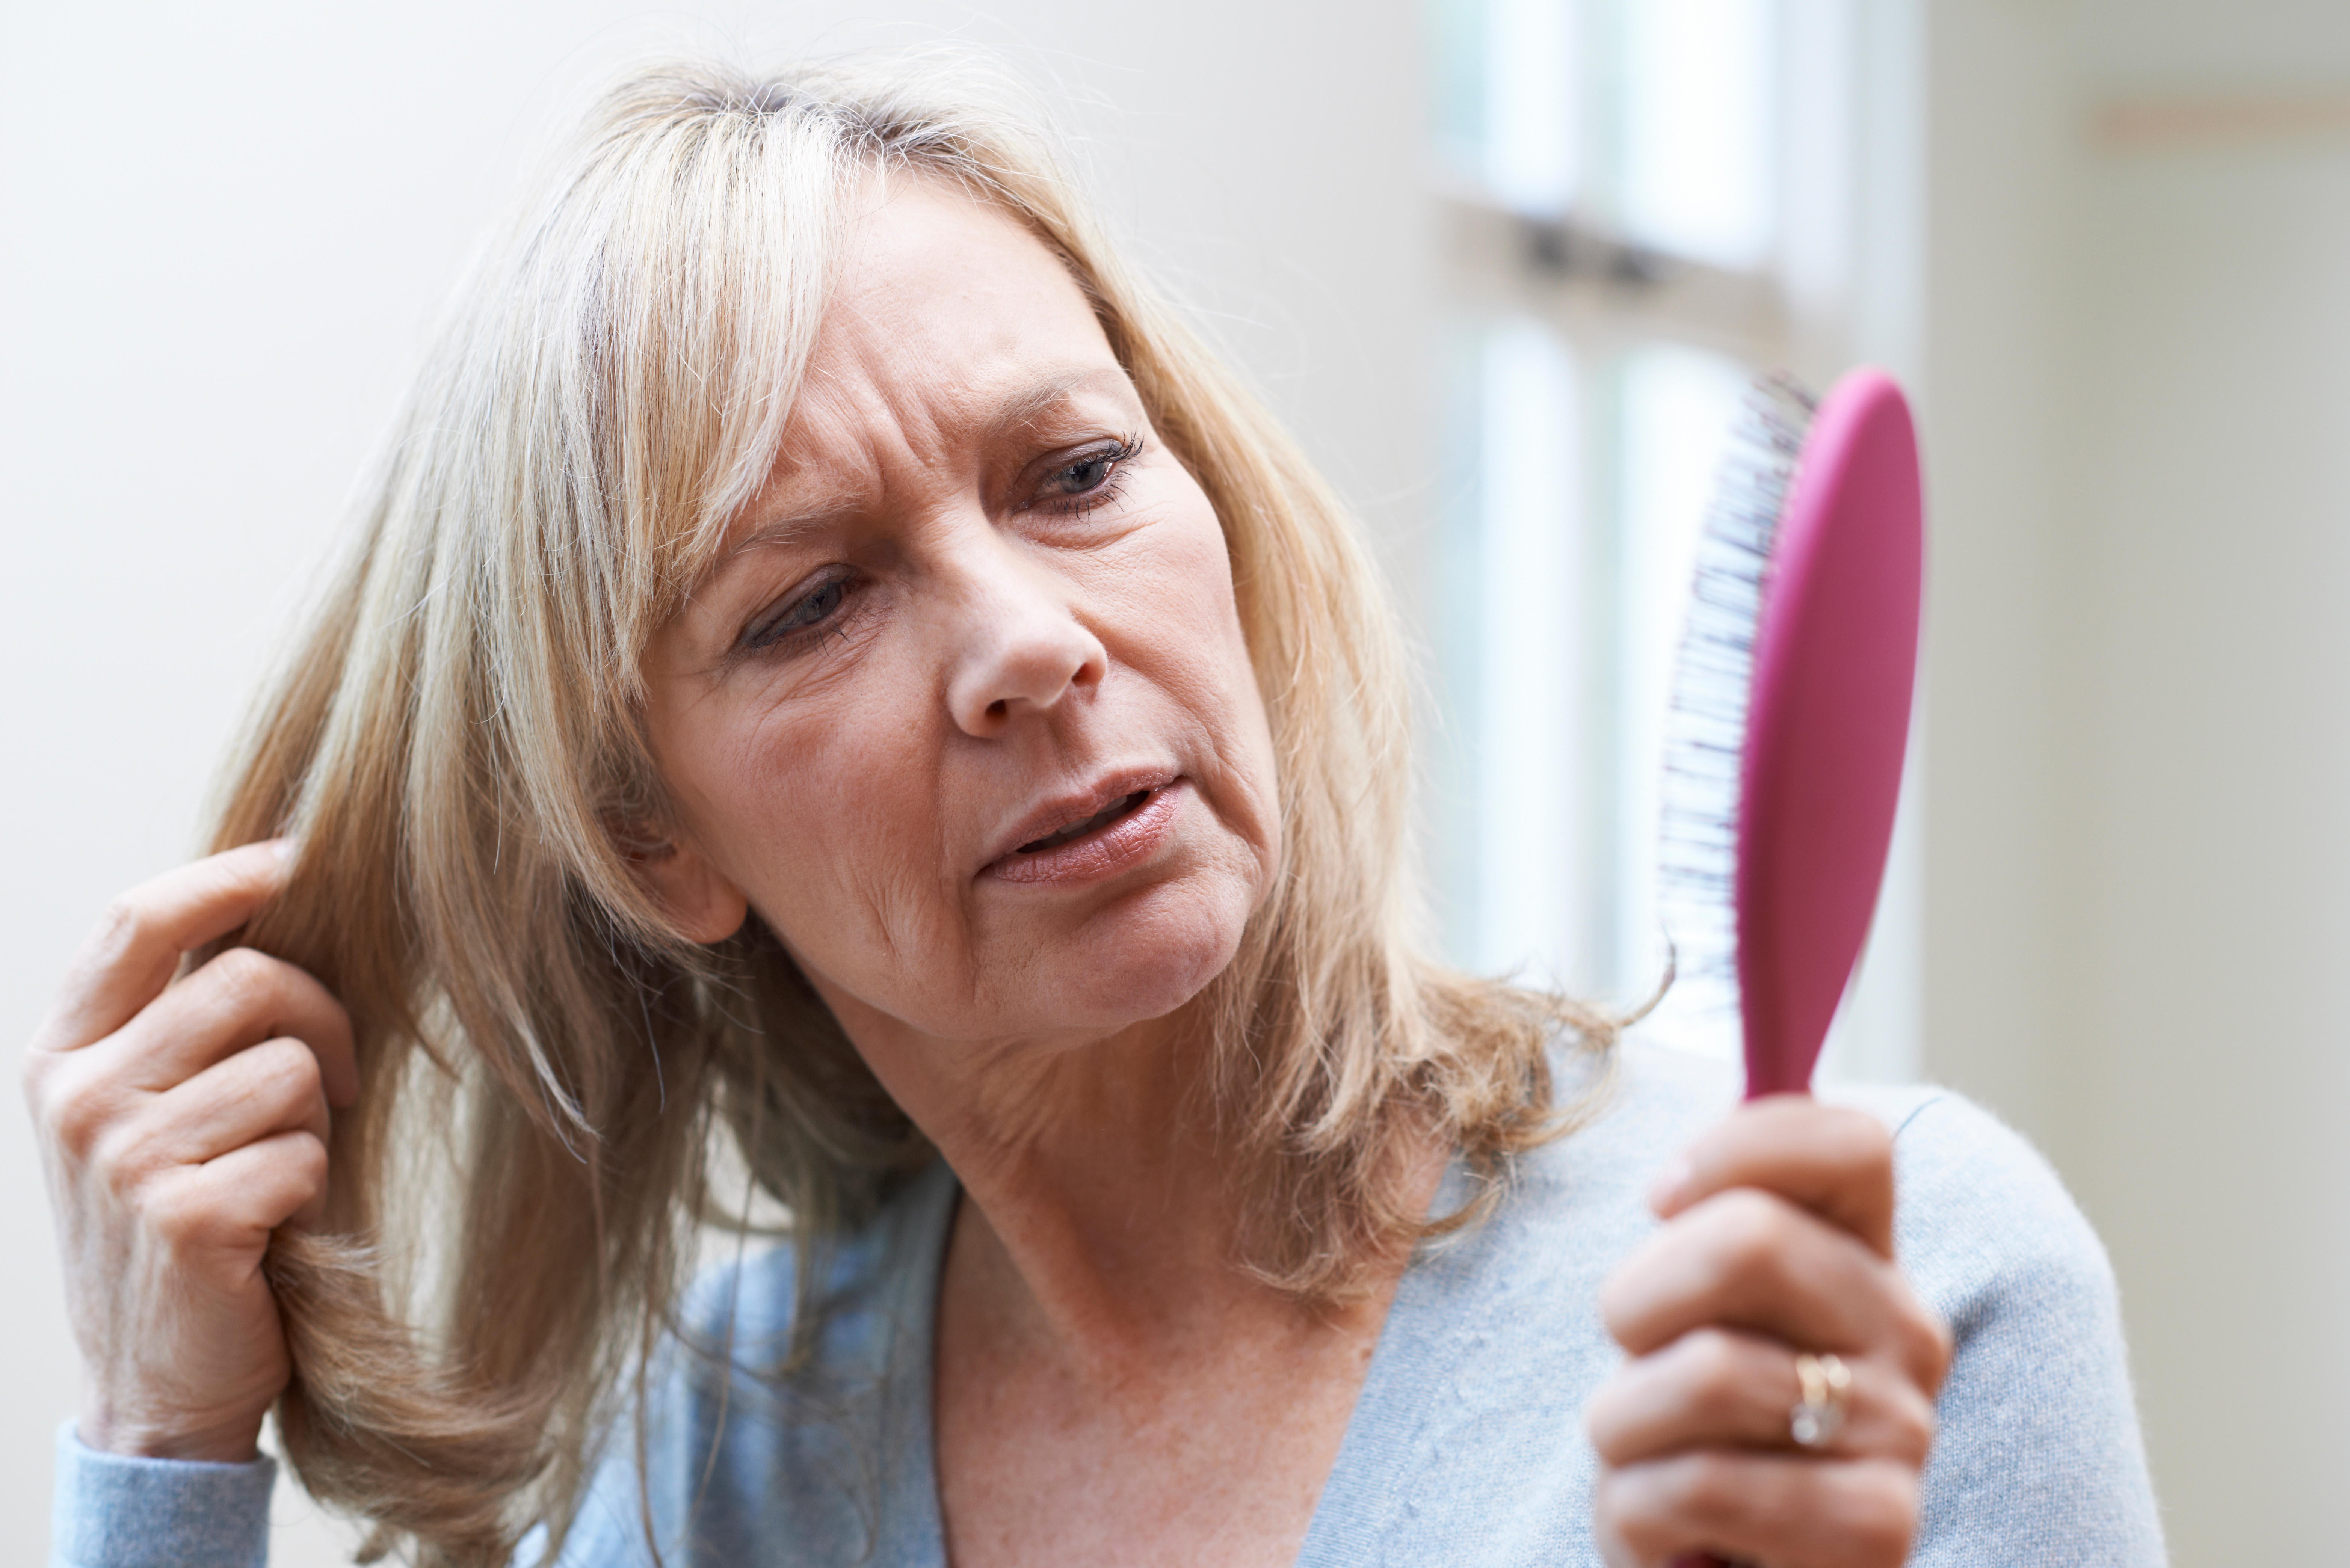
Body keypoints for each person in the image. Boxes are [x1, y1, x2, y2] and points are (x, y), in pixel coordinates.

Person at [26, 56, 2162, 1568]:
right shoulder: (714, 1476)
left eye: (1073, 476)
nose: (1030, 641)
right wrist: (158, 1458)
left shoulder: (1886, 1292)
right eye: (814, 601)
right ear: (653, 840)